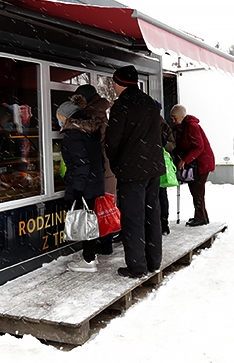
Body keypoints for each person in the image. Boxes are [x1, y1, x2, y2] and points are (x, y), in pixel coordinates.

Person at [104, 66, 164, 278]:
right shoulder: (149, 103)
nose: (113, 87)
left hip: (132, 171)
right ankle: (154, 261)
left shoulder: (122, 106)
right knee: (151, 215)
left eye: (113, 83)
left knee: (133, 219)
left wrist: (116, 162)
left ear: (120, 83)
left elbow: (111, 141)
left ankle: (137, 267)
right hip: (153, 169)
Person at [57, 94, 106, 273]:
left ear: (66, 117)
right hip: (93, 181)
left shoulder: (73, 135)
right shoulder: (88, 132)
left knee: (85, 221)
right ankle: (90, 256)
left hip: (84, 184)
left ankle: (88, 260)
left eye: (59, 116)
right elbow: (98, 160)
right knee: (89, 219)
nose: (58, 119)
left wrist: (77, 187)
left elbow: (81, 163)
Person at [74, 83, 115, 255]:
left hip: (97, 170)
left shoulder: (90, 116)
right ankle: (106, 243)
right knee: (104, 207)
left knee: (93, 210)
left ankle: (98, 248)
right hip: (107, 168)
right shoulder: (102, 113)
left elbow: (89, 147)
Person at [170, 104, 216, 227]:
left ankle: (200, 217)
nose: (173, 121)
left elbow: (199, 147)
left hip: (201, 163)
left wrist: (185, 159)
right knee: (197, 191)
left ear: (181, 116)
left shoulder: (191, 126)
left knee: (197, 191)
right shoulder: (183, 127)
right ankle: (202, 215)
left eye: (174, 118)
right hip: (197, 163)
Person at [158, 106, 177, 235]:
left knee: (161, 194)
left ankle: (164, 223)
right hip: (150, 164)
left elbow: (172, 144)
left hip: (160, 163)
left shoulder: (163, 125)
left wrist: (164, 144)